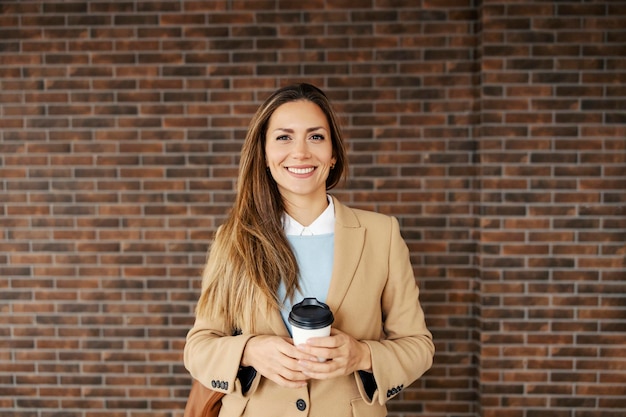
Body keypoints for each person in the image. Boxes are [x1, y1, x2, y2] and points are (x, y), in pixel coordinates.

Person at [184, 83, 434, 417]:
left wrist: (361, 355)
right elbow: (198, 347)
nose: (300, 152)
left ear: (333, 155)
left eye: (315, 137)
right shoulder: (233, 239)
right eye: (284, 137)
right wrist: (250, 351)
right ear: (264, 155)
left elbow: (418, 345)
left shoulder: (381, 234)